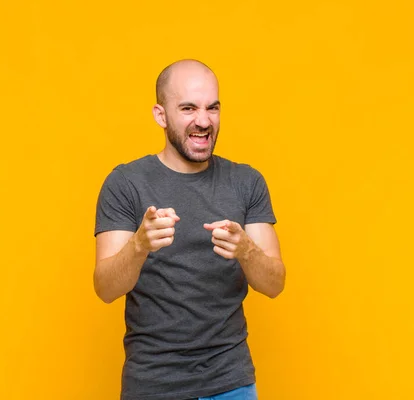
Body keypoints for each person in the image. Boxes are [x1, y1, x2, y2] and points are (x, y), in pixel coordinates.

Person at [93, 59, 286, 400]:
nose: (203, 121)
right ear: (160, 115)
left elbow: (274, 284)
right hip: (153, 384)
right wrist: (139, 245)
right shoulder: (125, 183)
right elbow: (106, 288)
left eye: (213, 108)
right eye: (188, 108)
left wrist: (246, 251)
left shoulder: (246, 182)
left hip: (232, 382)